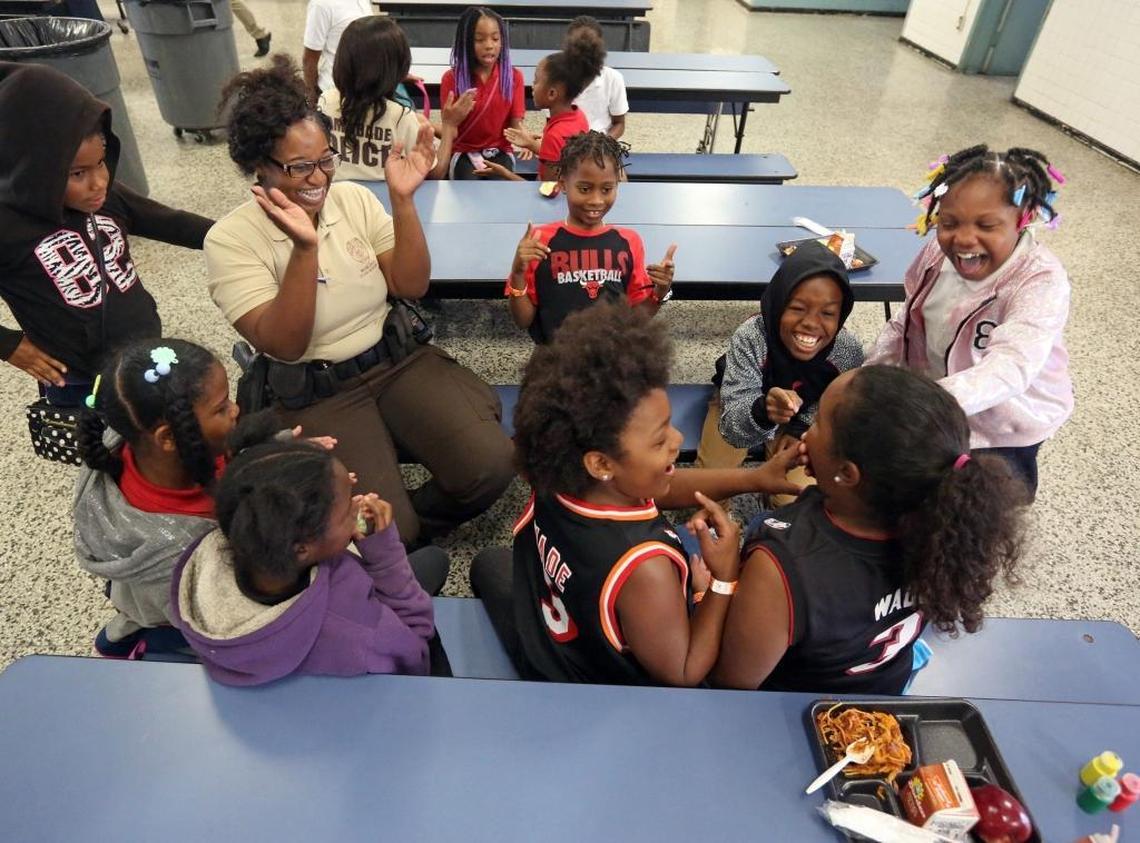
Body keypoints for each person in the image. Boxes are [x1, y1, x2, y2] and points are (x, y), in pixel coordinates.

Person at [205, 56, 514, 547]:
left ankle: (413, 527)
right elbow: (285, 344)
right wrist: (305, 248)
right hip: (319, 388)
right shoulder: (230, 240)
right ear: (259, 167)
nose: (318, 179)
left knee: (493, 465)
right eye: (299, 167)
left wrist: (404, 200)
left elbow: (410, 285)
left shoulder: (352, 199)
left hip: (396, 361)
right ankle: (402, 538)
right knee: (384, 529)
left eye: (326, 160)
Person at [469, 303, 805, 687]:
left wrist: (755, 478)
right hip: (589, 685)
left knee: (490, 563)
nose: (678, 441)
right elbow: (685, 672)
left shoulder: (561, 472)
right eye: (661, 438)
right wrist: (719, 583)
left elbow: (656, 490)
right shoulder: (646, 569)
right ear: (602, 463)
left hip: (551, 631)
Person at [713, 366, 1026, 695]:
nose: (806, 432)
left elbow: (732, 682)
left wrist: (716, 586)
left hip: (798, 718)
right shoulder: (939, 526)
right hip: (886, 695)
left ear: (848, 473)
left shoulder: (780, 563)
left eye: (819, 422)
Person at [866, 145, 1073, 499]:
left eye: (986, 225)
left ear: (1022, 219)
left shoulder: (1039, 280)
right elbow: (906, 323)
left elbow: (1010, 368)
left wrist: (921, 401)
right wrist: (871, 375)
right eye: (949, 223)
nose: (962, 238)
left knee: (982, 509)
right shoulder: (935, 254)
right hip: (937, 406)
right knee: (928, 491)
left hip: (1003, 429)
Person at [0, 63, 212, 407]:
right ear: (32, 169)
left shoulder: (107, 196)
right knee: (104, 455)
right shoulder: (9, 223)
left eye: (101, 162)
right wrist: (8, 345)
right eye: (77, 173)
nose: (98, 182)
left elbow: (173, 223)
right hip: (77, 382)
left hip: (143, 356)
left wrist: (239, 235)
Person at [171, 440, 439, 686]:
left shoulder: (213, 559)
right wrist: (387, 558)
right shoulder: (360, 629)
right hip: (377, 653)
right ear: (301, 549)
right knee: (436, 560)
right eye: (348, 510)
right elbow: (415, 652)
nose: (358, 508)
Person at [712, 240, 863, 505]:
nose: (810, 324)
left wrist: (802, 426)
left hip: (800, 418)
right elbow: (733, 429)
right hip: (741, 403)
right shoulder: (751, 337)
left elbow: (832, 404)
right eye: (797, 309)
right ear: (778, 303)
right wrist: (763, 410)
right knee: (710, 487)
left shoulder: (847, 352)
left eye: (827, 313)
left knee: (797, 499)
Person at [505, 131, 675, 343]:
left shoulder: (629, 242)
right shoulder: (540, 242)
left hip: (612, 363)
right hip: (554, 365)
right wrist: (517, 272)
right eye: (584, 188)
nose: (596, 200)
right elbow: (523, 320)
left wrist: (660, 292)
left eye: (606, 189)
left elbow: (635, 319)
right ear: (563, 184)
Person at [320, 16, 475, 181]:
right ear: (400, 66)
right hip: (384, 206)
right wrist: (449, 126)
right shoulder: (401, 118)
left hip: (334, 202)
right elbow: (435, 173)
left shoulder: (326, 101)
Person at [487, 34, 602, 182]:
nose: (532, 87)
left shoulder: (554, 135)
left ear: (552, 93)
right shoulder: (579, 115)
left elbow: (548, 192)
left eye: (536, 81)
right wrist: (533, 145)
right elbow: (561, 157)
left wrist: (505, 174)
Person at [440, 7, 527, 180]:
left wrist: (527, 143)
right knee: (467, 192)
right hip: (464, 153)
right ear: (465, 42)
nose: (489, 45)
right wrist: (450, 120)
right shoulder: (451, 79)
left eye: (495, 38)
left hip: (500, 152)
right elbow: (451, 131)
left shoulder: (514, 77)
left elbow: (515, 124)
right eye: (479, 40)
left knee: (501, 190)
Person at [564, 16, 628, 138]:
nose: (584, 51)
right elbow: (552, 122)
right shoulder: (556, 77)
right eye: (578, 45)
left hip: (601, 145)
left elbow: (619, 123)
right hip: (566, 145)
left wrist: (601, 145)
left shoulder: (613, 78)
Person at [302, 0, 370, 103]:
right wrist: (312, 101)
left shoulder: (363, 2)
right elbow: (309, 60)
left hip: (363, 92)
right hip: (334, 94)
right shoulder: (321, 4)